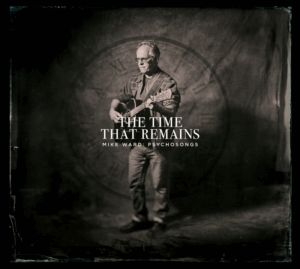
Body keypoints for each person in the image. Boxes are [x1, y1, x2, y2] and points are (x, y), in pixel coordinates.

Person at [109, 40, 181, 238]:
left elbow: (172, 110)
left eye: (145, 59)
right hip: (137, 142)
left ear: (155, 59)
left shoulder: (167, 83)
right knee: (134, 183)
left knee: (160, 185)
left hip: (158, 143)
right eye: (138, 59)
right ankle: (140, 218)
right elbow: (118, 97)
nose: (140, 63)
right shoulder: (134, 80)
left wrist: (156, 107)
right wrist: (112, 110)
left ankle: (159, 220)